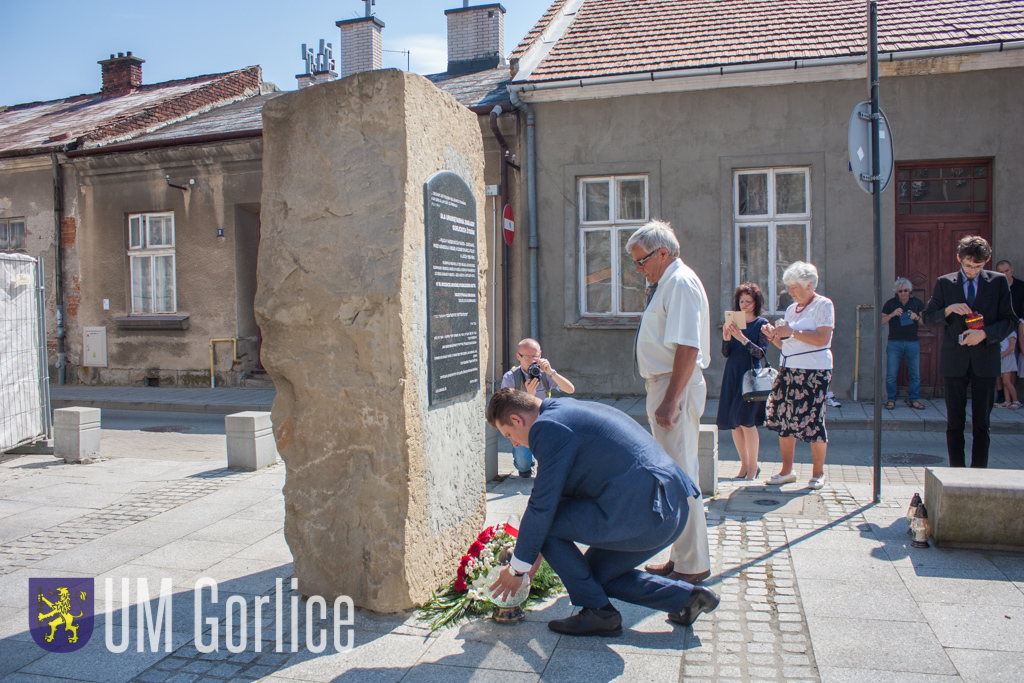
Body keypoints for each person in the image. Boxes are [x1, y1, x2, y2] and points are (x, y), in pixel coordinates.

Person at [486, 389, 720, 636]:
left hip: (645, 513)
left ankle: (599, 612)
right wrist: (531, 559)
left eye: (509, 435)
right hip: (672, 508)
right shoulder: (563, 409)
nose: (513, 443)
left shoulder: (547, 428)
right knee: (591, 579)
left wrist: (516, 570)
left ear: (516, 420)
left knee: (551, 527)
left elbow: (542, 507)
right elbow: (556, 497)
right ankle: (686, 600)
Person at [625, 220, 712, 585]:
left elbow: (688, 346)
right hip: (664, 385)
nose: (638, 269)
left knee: (681, 476)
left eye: (641, 261)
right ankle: (682, 557)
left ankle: (693, 565)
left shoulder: (679, 282)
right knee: (674, 475)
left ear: (663, 253)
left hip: (674, 387)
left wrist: (670, 400)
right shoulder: (666, 282)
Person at [922, 235, 1018, 468]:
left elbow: (1010, 320)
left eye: (978, 266)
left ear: (987, 261)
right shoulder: (945, 283)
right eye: (968, 265)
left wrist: (984, 334)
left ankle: (978, 475)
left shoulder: (997, 282)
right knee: (954, 423)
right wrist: (948, 309)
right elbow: (928, 319)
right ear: (959, 259)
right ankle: (956, 473)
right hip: (955, 360)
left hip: (986, 359)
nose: (973, 271)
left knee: (981, 424)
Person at [762, 261, 834, 490]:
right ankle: (787, 471)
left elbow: (822, 339)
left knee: (813, 419)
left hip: (814, 371)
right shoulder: (792, 308)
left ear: (810, 285)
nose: (789, 292)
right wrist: (774, 336)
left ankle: (818, 473)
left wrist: (791, 331)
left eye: (794, 287)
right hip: (789, 367)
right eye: (788, 287)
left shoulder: (824, 304)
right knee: (784, 418)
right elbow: (786, 345)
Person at [715, 282, 769, 480]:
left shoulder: (761, 324)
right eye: (741, 301)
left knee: (747, 421)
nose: (744, 305)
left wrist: (742, 338)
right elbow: (726, 353)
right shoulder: (734, 323)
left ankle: (754, 467)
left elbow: (760, 353)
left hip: (750, 376)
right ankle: (744, 465)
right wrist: (727, 337)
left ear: (756, 302)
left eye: (748, 301)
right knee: (734, 423)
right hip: (733, 373)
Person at [499, 338, 576, 477]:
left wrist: (551, 372)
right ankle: (526, 465)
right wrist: (528, 396)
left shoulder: (545, 373)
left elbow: (570, 389)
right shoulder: (511, 378)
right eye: (527, 357)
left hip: (545, 423)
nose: (532, 361)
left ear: (540, 354)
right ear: (518, 356)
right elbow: (504, 411)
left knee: (550, 465)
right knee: (523, 464)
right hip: (523, 426)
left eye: (535, 356)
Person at [881, 277, 926, 410]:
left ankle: (914, 399)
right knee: (891, 374)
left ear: (910, 290)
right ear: (897, 292)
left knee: (915, 374)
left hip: (913, 342)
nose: (904, 293)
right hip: (894, 342)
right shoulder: (891, 303)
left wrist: (916, 317)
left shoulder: (917, 302)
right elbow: (881, 321)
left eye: (906, 290)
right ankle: (891, 399)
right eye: (900, 291)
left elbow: (925, 321)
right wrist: (892, 314)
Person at [994, 260, 1024, 403]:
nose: (1004, 274)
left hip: (1016, 328)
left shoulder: (1021, 287)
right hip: (999, 327)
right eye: (1000, 272)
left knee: (1013, 361)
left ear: (1012, 269)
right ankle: (1000, 394)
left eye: (1006, 271)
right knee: (998, 359)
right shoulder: (995, 286)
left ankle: (1012, 397)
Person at [999, 329, 1019, 408]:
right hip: (1002, 356)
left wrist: (1002, 356)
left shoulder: (1011, 332)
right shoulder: (1002, 331)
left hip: (1007, 357)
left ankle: (1016, 400)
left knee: (1006, 381)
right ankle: (1007, 401)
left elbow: (1012, 347)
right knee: (1004, 381)